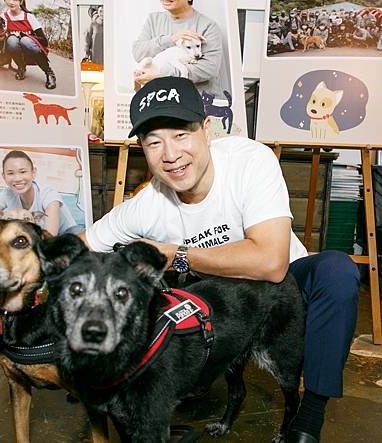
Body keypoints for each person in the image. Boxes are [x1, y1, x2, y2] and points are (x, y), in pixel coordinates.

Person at [79, 77, 359, 443]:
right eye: (153, 142)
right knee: (172, 294)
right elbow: (80, 246)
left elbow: (271, 262)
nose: (170, 154)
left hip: (285, 283)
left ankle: (309, 417)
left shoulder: (248, 160)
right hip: (222, 298)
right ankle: (188, 384)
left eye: (181, 135)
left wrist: (176, 255)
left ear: (207, 130)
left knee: (338, 271)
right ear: (142, 150)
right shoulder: (146, 206)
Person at [132, 0, 230, 99]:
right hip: (160, 102)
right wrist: (171, 39)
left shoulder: (208, 26)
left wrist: (162, 75)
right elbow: (138, 53)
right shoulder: (153, 20)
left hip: (198, 103)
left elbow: (209, 69)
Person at [0, 150, 79, 235]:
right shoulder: (8, 193)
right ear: (4, 177)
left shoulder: (48, 195)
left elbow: (49, 237)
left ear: (33, 173)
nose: (17, 178)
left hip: (68, 235)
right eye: (10, 173)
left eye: (23, 172)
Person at [1, 0, 57, 89]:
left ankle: (49, 72)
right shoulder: (4, 16)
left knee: (25, 41)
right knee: (11, 40)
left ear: (21, 1)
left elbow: (44, 41)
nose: (11, 2)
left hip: (31, 49)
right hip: (16, 49)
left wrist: (25, 36)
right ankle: (21, 67)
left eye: (15, 0)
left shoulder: (29, 17)